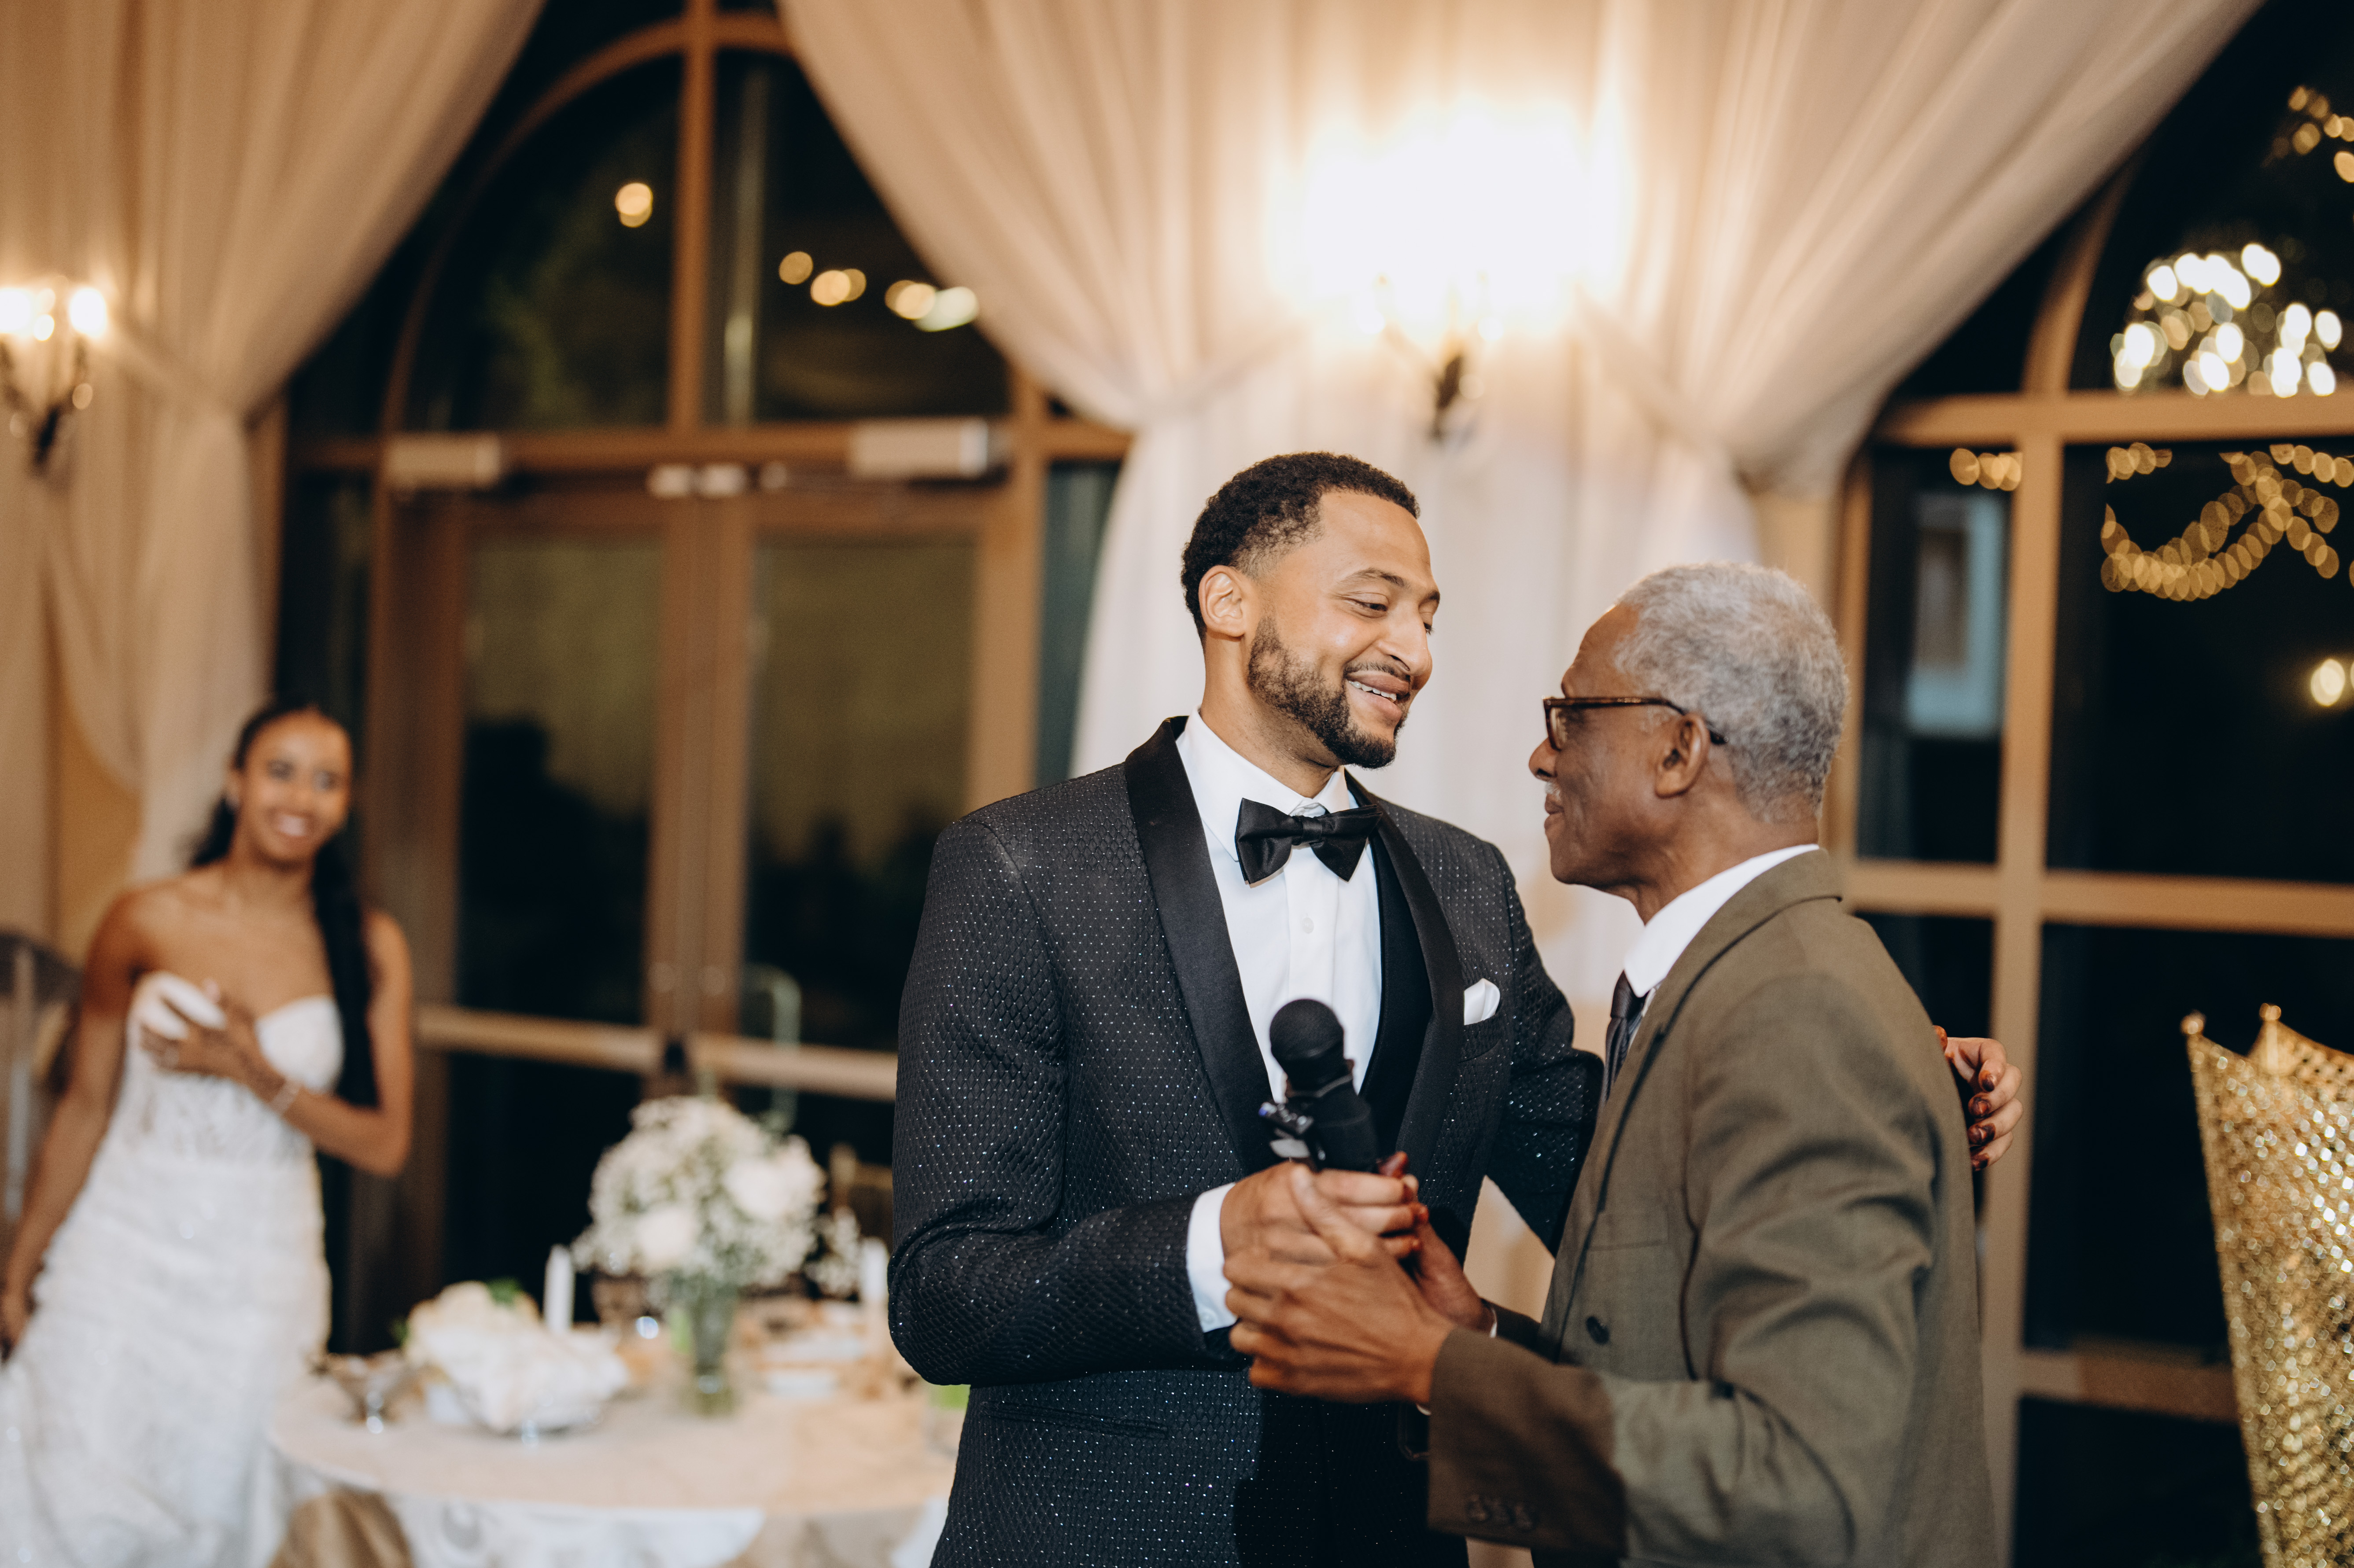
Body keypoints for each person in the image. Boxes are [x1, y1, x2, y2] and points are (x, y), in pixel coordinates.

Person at [891, 455, 2019, 1566]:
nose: (1417, 652)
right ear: (1228, 602)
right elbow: (944, 1290)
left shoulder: (1469, 883)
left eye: (1428, 616)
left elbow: (1615, 1183)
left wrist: (1885, 1084)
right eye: (1372, 602)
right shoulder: (1021, 867)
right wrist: (1208, 1244)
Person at [1226, 563, 1999, 1565]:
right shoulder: (1738, 982)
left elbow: (1803, 1485)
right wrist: (1473, 1343)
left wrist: (1429, 1366)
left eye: (1572, 716)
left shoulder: (1797, 1011)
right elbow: (1673, 1367)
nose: (1541, 755)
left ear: (1678, 750)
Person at [0, 699, 414, 1568]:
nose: (300, 796)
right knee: (71, 1482)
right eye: (280, 771)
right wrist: (20, 1264)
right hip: (119, 1251)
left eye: (327, 780)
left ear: (345, 805)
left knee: (227, 1503)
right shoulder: (143, 918)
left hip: (260, 1273)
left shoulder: (369, 945)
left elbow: (384, 1144)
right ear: (235, 783)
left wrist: (251, 1068)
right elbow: (85, 1105)